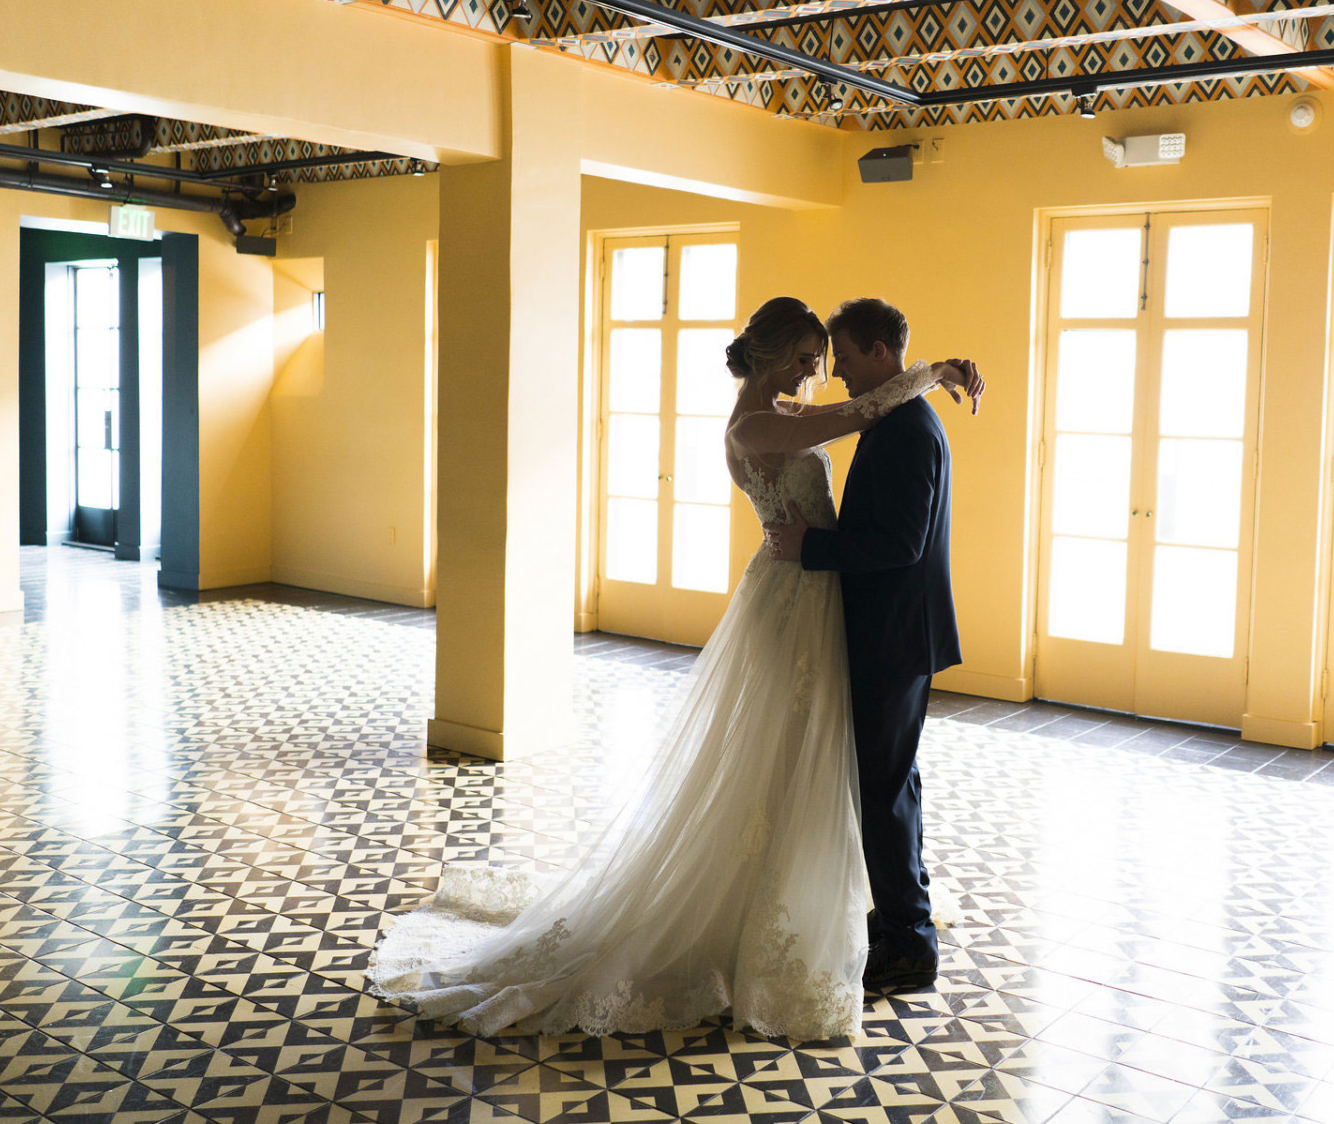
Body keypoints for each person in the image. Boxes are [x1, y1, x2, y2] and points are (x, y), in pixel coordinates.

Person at [366, 296, 983, 1040]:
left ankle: (875, 918)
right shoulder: (759, 424)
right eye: (814, 359)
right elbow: (852, 419)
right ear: (782, 353)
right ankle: (842, 921)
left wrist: (925, 374)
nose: (825, 373)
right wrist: (934, 370)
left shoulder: (798, 411)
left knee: (853, 771)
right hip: (795, 598)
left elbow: (864, 442)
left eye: (837, 360)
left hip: (833, 605)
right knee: (815, 766)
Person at [762, 298, 968, 991]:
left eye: (845, 357)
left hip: (895, 634)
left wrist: (809, 545)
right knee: (892, 781)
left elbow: (901, 542)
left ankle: (910, 940)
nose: (839, 372)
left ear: (881, 352)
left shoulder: (910, 429)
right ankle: (903, 920)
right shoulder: (899, 414)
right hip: (894, 631)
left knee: (882, 788)